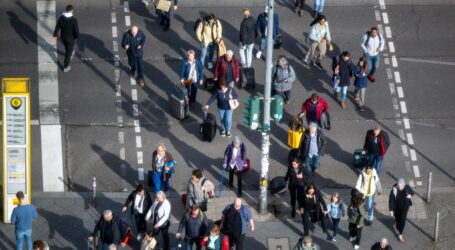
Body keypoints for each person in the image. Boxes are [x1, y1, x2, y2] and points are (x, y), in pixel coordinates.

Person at [52, 5, 79, 72]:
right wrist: (76, 37)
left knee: (67, 47)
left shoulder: (61, 18)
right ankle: (65, 66)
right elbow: (76, 31)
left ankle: (69, 52)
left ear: (66, 10)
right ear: (72, 10)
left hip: (63, 36)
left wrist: (54, 35)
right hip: (71, 38)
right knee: (68, 53)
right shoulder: (74, 20)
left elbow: (57, 27)